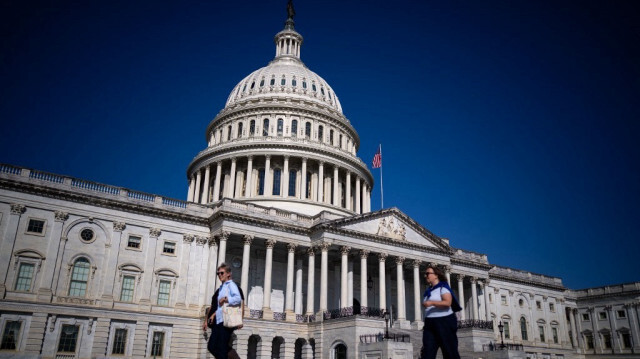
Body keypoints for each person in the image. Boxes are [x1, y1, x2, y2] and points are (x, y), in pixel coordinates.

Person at [422, 265, 461, 359]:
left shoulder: (443, 288)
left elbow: (448, 303)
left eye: (428, 273)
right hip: (430, 323)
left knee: (449, 352)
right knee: (427, 353)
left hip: (444, 321)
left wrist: (431, 302)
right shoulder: (428, 291)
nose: (426, 276)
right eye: (425, 274)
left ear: (436, 275)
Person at [203, 273, 245, 359]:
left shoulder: (235, 289)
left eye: (222, 274)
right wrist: (205, 320)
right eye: (219, 274)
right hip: (215, 323)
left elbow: (240, 304)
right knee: (214, 347)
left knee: (218, 346)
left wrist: (241, 319)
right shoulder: (218, 291)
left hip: (225, 321)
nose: (220, 276)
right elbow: (212, 306)